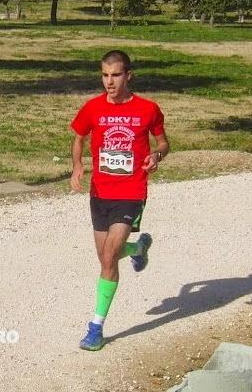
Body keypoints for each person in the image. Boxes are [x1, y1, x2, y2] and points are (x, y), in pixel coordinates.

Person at [70, 50, 169, 351]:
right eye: (104, 75)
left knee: (110, 257)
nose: (109, 82)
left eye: (115, 75)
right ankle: (138, 248)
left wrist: (156, 155)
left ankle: (96, 328)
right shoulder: (93, 108)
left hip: (131, 191)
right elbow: (78, 136)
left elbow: (163, 142)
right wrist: (77, 166)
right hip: (100, 193)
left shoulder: (148, 109)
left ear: (128, 75)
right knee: (105, 256)